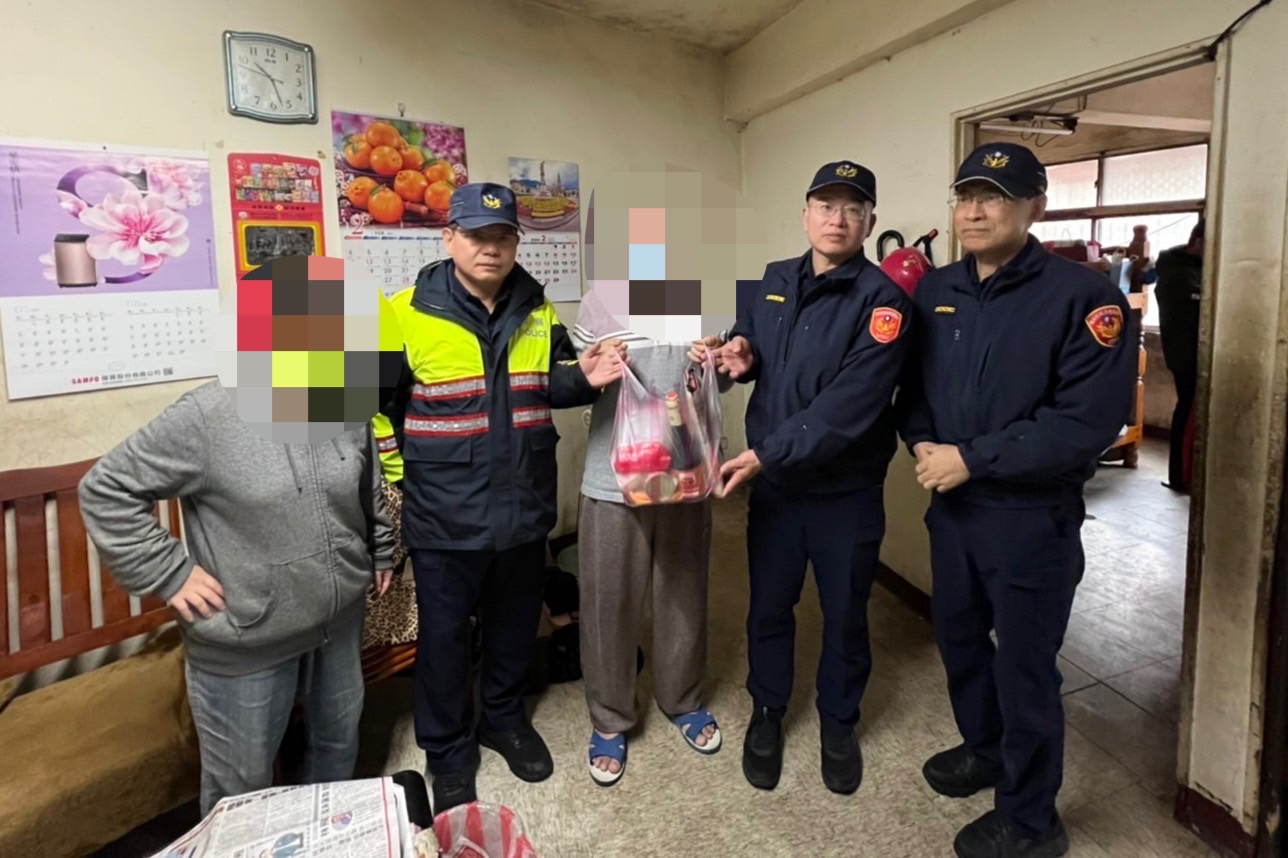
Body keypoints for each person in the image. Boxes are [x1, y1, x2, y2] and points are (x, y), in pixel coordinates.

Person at [78, 259, 397, 816]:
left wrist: (382, 547)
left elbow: (366, 479)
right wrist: (169, 572)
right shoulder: (208, 416)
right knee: (240, 791)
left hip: (339, 618)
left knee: (337, 747)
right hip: (249, 635)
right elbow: (106, 489)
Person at [898, 142, 1135, 858]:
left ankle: (1033, 821)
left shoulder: (1084, 297)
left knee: (1024, 667)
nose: (975, 211)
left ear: (1036, 206)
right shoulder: (938, 290)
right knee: (960, 640)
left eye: (995, 197)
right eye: (966, 196)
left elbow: (1086, 422)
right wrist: (922, 442)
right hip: (954, 513)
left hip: (1031, 519)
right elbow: (913, 389)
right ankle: (987, 749)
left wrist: (972, 458)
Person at [371, 183, 624, 813]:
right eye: (477, 235)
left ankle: (504, 721)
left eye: (503, 236)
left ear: (516, 242)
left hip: (523, 503)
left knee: (514, 627)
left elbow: (553, 383)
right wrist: (404, 476)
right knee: (444, 641)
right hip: (443, 511)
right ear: (448, 238)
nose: (491, 247)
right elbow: (373, 407)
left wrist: (584, 379)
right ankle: (447, 751)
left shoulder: (537, 307)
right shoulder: (403, 311)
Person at [697, 160, 915, 795]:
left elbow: (850, 404)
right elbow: (750, 344)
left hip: (844, 492)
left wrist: (764, 454)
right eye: (826, 205)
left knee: (846, 613)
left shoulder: (884, 303)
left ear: (870, 221)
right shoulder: (772, 280)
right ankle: (767, 709)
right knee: (769, 605)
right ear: (806, 214)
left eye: (852, 209)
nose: (837, 219)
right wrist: (739, 354)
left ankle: (839, 722)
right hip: (778, 491)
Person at [571, 287, 731, 787]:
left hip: (687, 471)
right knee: (608, 602)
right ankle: (610, 716)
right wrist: (595, 367)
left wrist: (714, 361)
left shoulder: (708, 295)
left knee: (684, 591)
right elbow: (576, 381)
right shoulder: (600, 302)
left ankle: (682, 698)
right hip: (614, 476)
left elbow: (723, 379)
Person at [1154, 218, 1205, 492]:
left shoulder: (1196, 270)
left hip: (1195, 355)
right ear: (1198, 242)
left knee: (1193, 412)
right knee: (1189, 411)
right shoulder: (1178, 275)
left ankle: (1187, 474)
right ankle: (1181, 476)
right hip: (1186, 356)